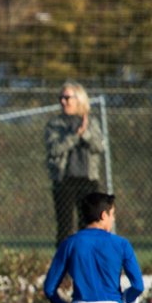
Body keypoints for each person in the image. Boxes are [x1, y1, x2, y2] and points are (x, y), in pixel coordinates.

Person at [45, 82, 106, 246]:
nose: (63, 101)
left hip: (88, 180)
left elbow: (99, 146)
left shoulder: (91, 122)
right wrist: (74, 135)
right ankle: (64, 267)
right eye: (61, 98)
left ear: (79, 99)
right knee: (64, 227)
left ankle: (85, 265)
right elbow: (54, 149)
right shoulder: (55, 125)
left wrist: (85, 133)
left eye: (67, 98)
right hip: (64, 180)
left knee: (88, 226)